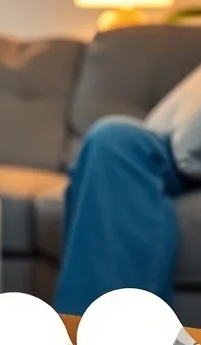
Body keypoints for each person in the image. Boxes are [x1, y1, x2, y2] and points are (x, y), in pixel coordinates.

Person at [51, 117, 186, 315]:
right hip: (167, 142)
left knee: (112, 140)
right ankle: (79, 328)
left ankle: (107, 329)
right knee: (107, 142)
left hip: (178, 153)